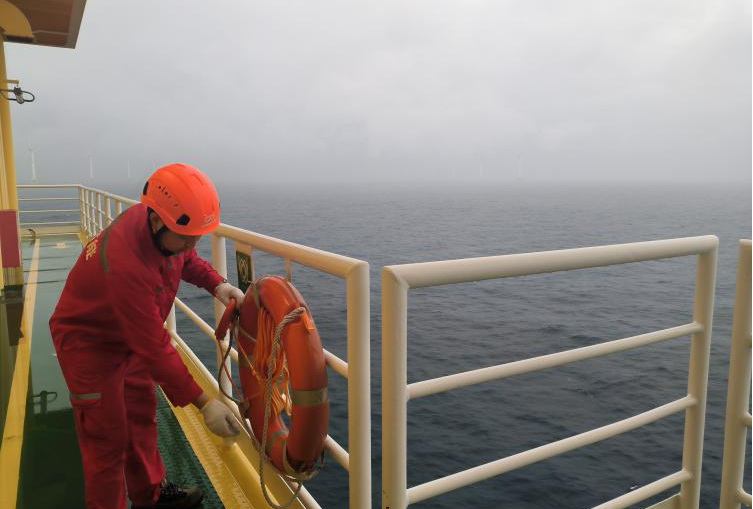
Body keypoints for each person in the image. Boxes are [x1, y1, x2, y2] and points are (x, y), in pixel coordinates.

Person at [49, 163, 245, 509]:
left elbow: (186, 258)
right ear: (156, 221)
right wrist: (204, 403)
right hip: (88, 345)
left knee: (141, 414)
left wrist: (218, 285)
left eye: (197, 237)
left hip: (125, 338)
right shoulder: (126, 262)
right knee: (106, 438)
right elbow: (153, 345)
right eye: (187, 237)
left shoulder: (165, 231)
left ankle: (150, 496)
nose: (192, 244)